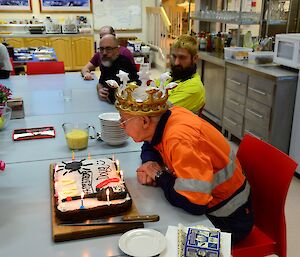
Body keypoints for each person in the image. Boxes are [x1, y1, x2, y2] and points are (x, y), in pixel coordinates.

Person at [110, 82, 253, 245]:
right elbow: (150, 143)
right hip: (218, 205)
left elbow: (194, 204)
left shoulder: (179, 140)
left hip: (228, 218)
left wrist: (159, 175)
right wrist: (151, 163)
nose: (121, 126)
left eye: (124, 121)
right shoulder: (168, 116)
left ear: (144, 121)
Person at [162, 34, 205, 114]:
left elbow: (158, 111)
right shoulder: (173, 76)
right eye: (174, 56)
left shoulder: (193, 88)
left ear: (195, 58)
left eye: (182, 57)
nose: (176, 62)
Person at [97, 34, 140, 103]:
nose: (104, 53)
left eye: (108, 49)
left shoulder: (125, 63)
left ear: (117, 50)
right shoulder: (106, 61)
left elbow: (135, 86)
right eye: (101, 49)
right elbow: (101, 82)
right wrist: (99, 89)